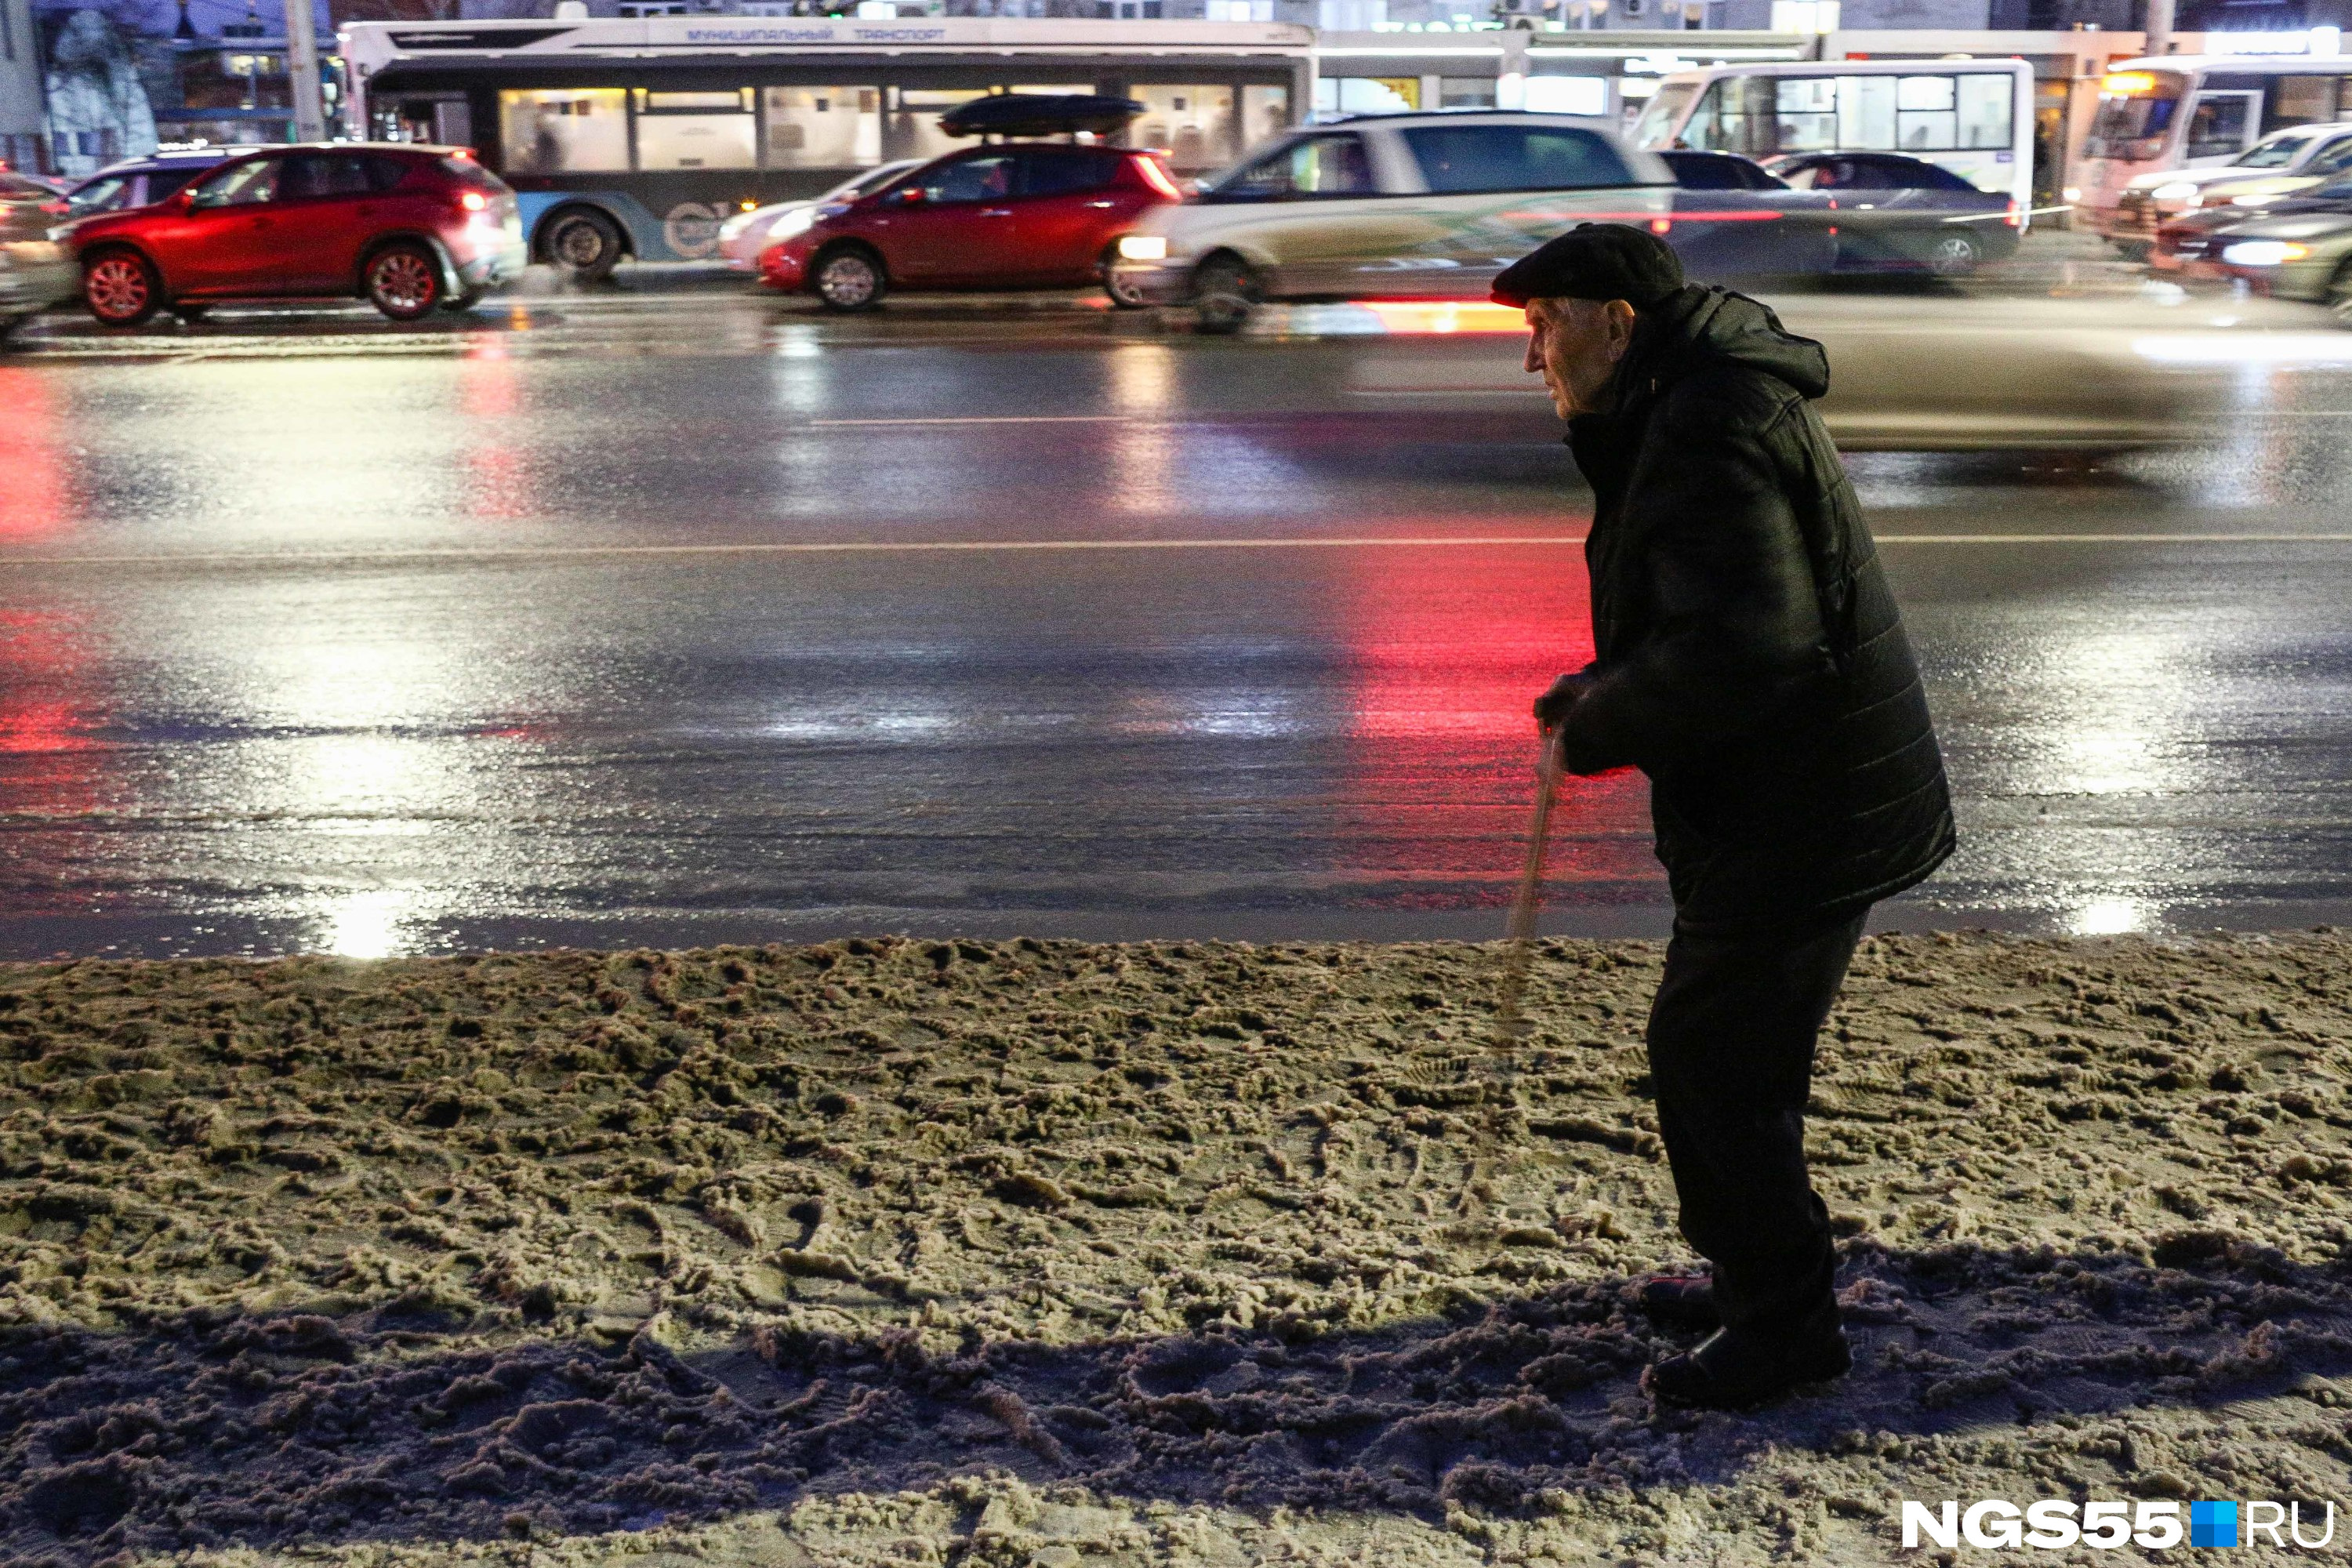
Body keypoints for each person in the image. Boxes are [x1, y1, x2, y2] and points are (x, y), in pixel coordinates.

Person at [1492, 224, 1955, 1410]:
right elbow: (1703, 609)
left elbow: (1750, 643)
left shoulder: (1703, 424)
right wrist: (1604, 690)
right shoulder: (1681, 402)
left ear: (1618, 322)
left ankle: (1785, 1329)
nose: (1532, 355)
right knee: (1724, 1058)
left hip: (1802, 802)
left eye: (1545, 327)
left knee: (1715, 1064)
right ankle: (1754, 1274)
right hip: (1784, 790)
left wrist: (1602, 726)